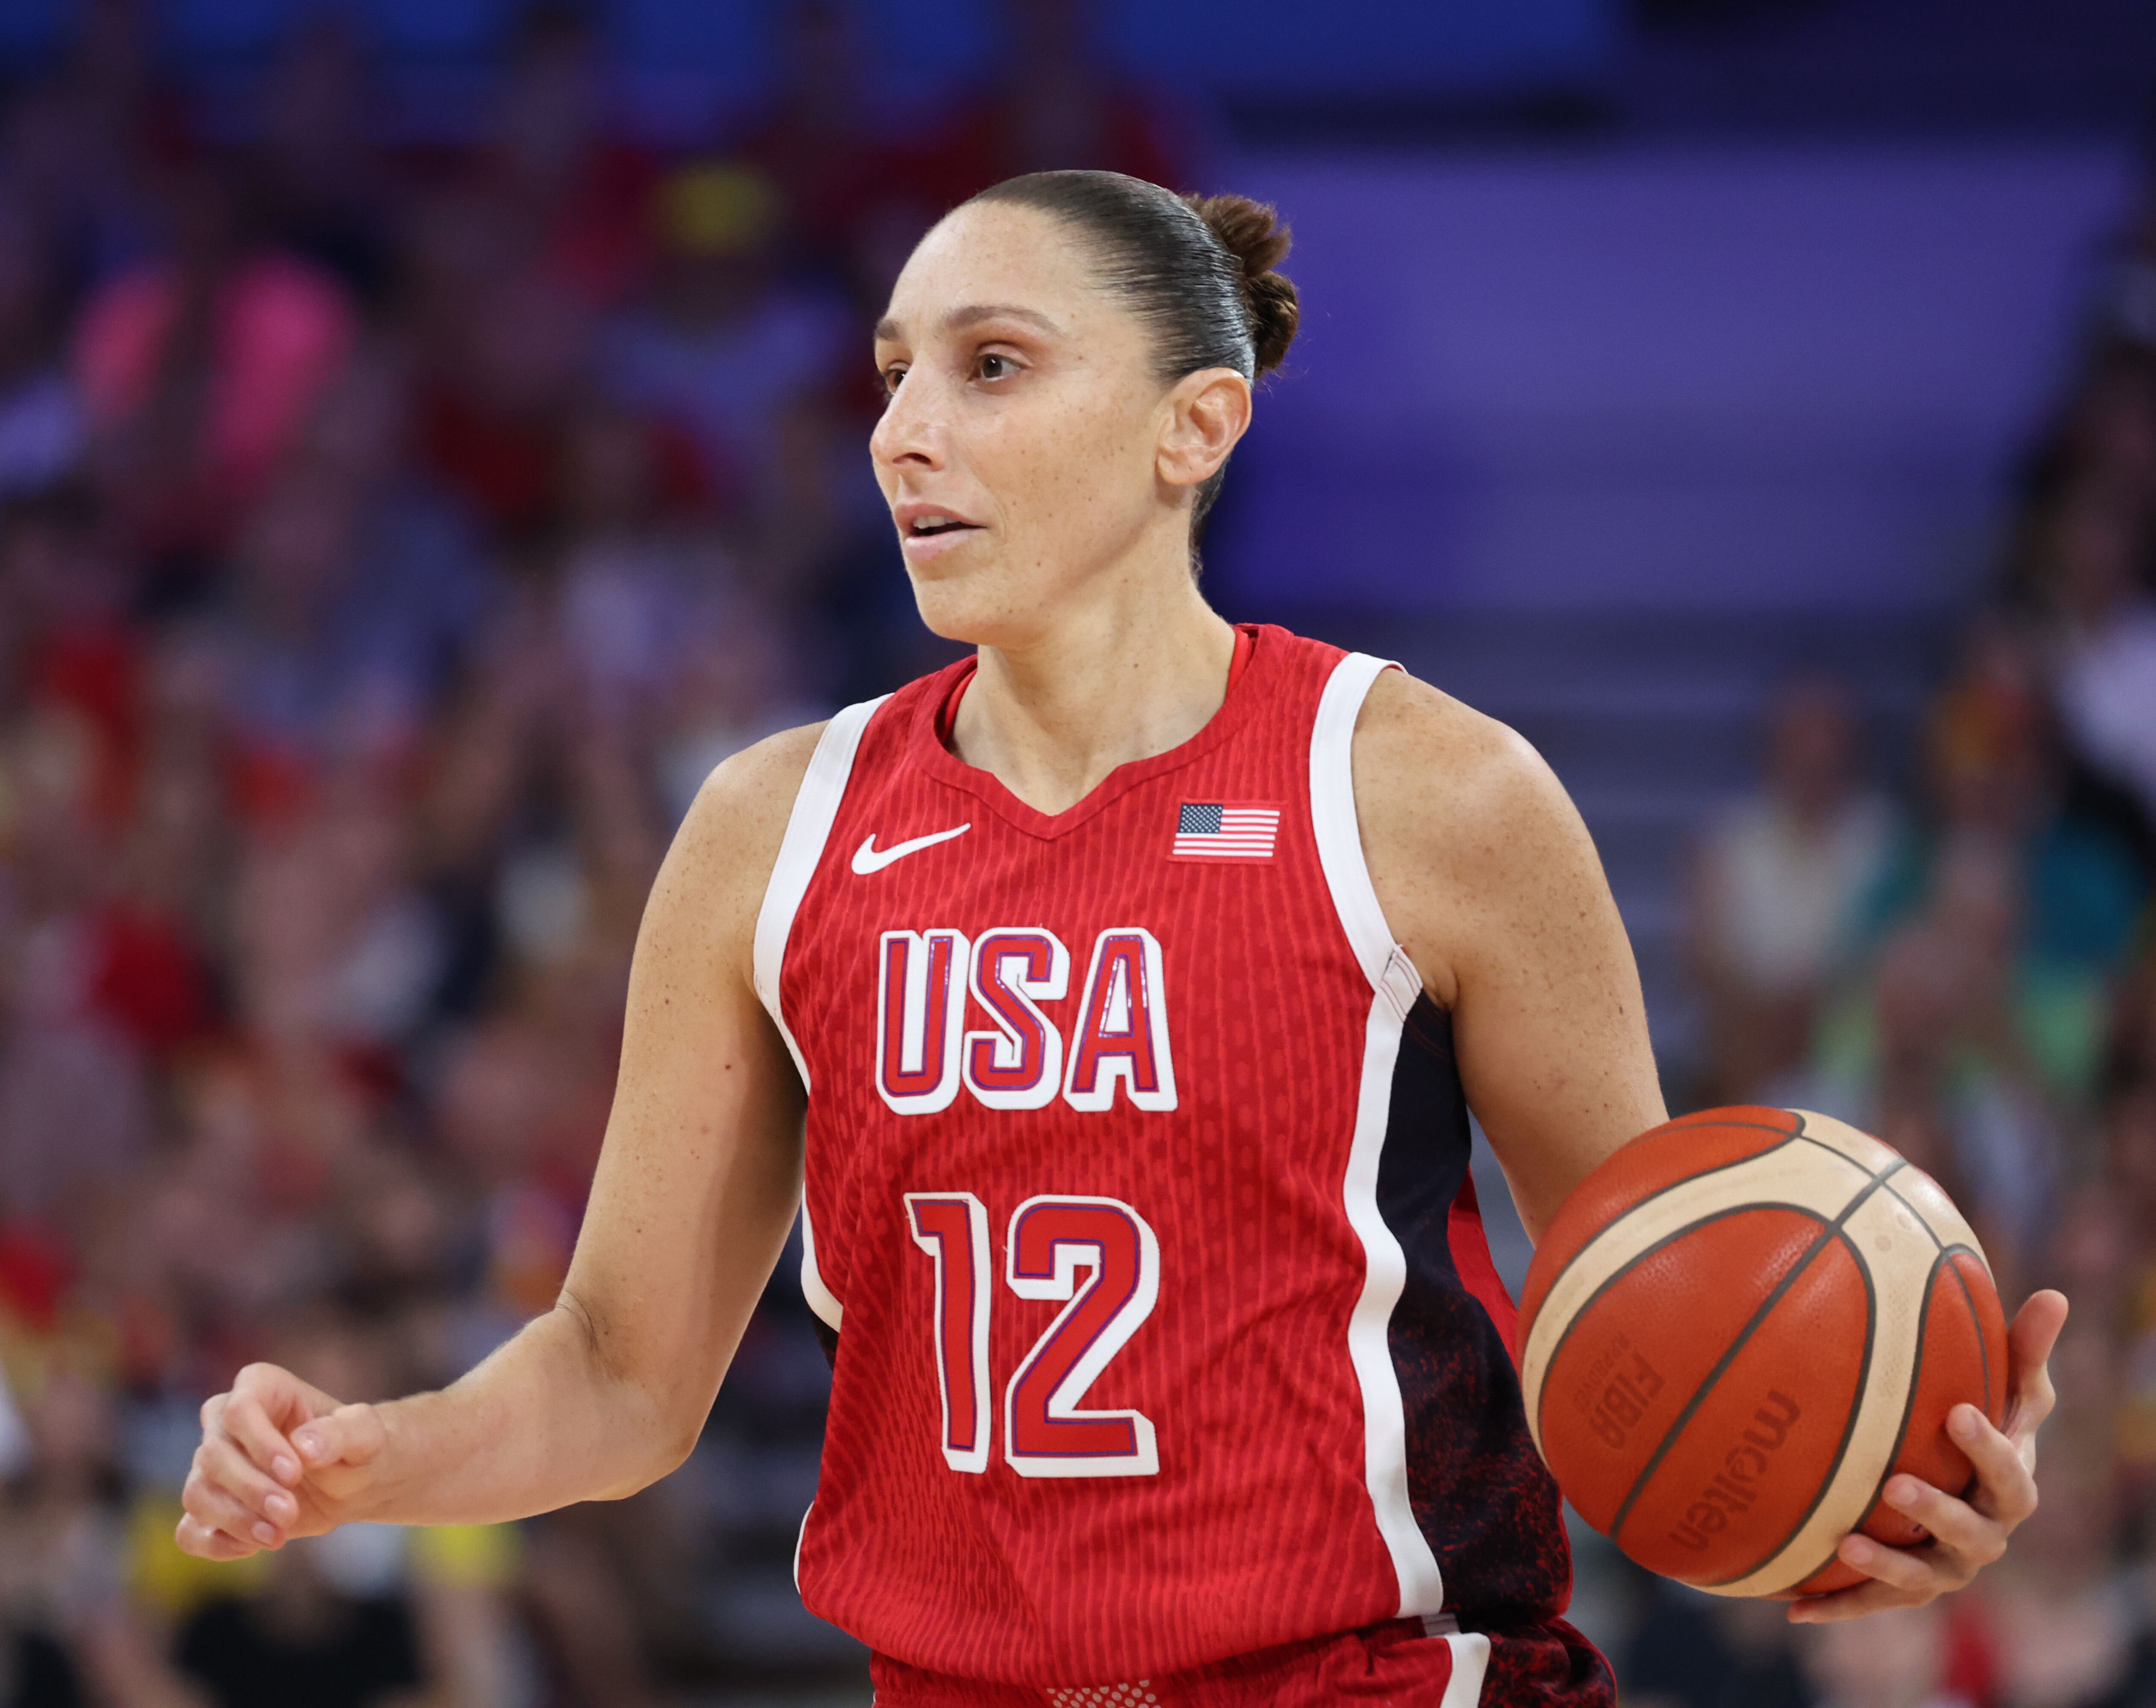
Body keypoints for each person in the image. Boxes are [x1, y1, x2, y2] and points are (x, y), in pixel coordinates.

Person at [174, 171, 2070, 1704]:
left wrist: (1871, 1490)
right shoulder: (770, 829)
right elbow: (619, 1373)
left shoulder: (1432, 795)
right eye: (892, 376)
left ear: (1195, 425)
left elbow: (1650, 1331)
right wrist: (369, 1457)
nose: (906, 433)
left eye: (992, 367)